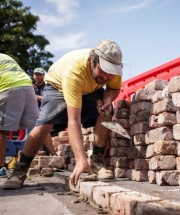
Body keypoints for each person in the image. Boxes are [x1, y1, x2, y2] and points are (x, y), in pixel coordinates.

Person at [3, 39, 123, 189]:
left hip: (88, 89)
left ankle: (98, 161)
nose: (106, 77)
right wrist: (80, 160)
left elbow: (113, 88)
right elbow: (73, 120)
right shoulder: (75, 70)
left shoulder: (113, 69)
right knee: (44, 124)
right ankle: (19, 170)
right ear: (93, 59)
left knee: (106, 110)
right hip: (57, 86)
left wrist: (107, 98)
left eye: (109, 74)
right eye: (102, 71)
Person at [0, 53, 39, 178]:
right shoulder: (4, 56)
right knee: (39, 125)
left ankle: (0, 168)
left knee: (0, 130)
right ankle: (54, 157)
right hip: (27, 86)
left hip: (9, 86)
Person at [33, 68, 56, 156]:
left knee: (44, 132)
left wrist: (33, 96)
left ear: (43, 76)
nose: (37, 76)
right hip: (34, 113)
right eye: (36, 74)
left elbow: (46, 99)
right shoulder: (31, 86)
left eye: (39, 74)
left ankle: (51, 154)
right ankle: (39, 154)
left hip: (45, 112)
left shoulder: (47, 86)